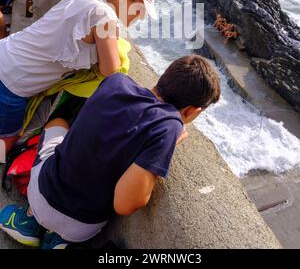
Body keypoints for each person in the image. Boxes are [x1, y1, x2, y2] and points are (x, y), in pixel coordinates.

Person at [0, 55, 220, 248]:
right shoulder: (168, 126)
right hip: (82, 226)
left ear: (164, 76)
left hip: (42, 196)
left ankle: (29, 220)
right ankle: (60, 241)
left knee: (56, 123)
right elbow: (125, 204)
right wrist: (169, 140)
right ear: (192, 112)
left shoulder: (117, 81)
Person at [0, 0, 156, 153]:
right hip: (12, 80)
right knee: (7, 139)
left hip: (7, 51)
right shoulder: (105, 17)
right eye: (140, 10)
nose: (139, 17)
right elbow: (111, 69)